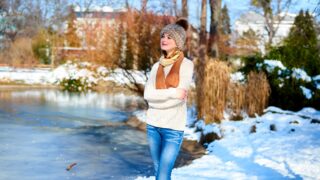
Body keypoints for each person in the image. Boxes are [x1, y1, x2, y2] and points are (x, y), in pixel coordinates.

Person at [143, 18, 194, 180]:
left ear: (178, 41)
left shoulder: (186, 65)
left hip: (173, 128)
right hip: (153, 126)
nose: (164, 40)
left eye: (169, 37)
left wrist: (159, 98)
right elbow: (147, 95)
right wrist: (172, 92)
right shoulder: (156, 67)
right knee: (159, 170)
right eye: (162, 36)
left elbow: (178, 100)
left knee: (163, 174)